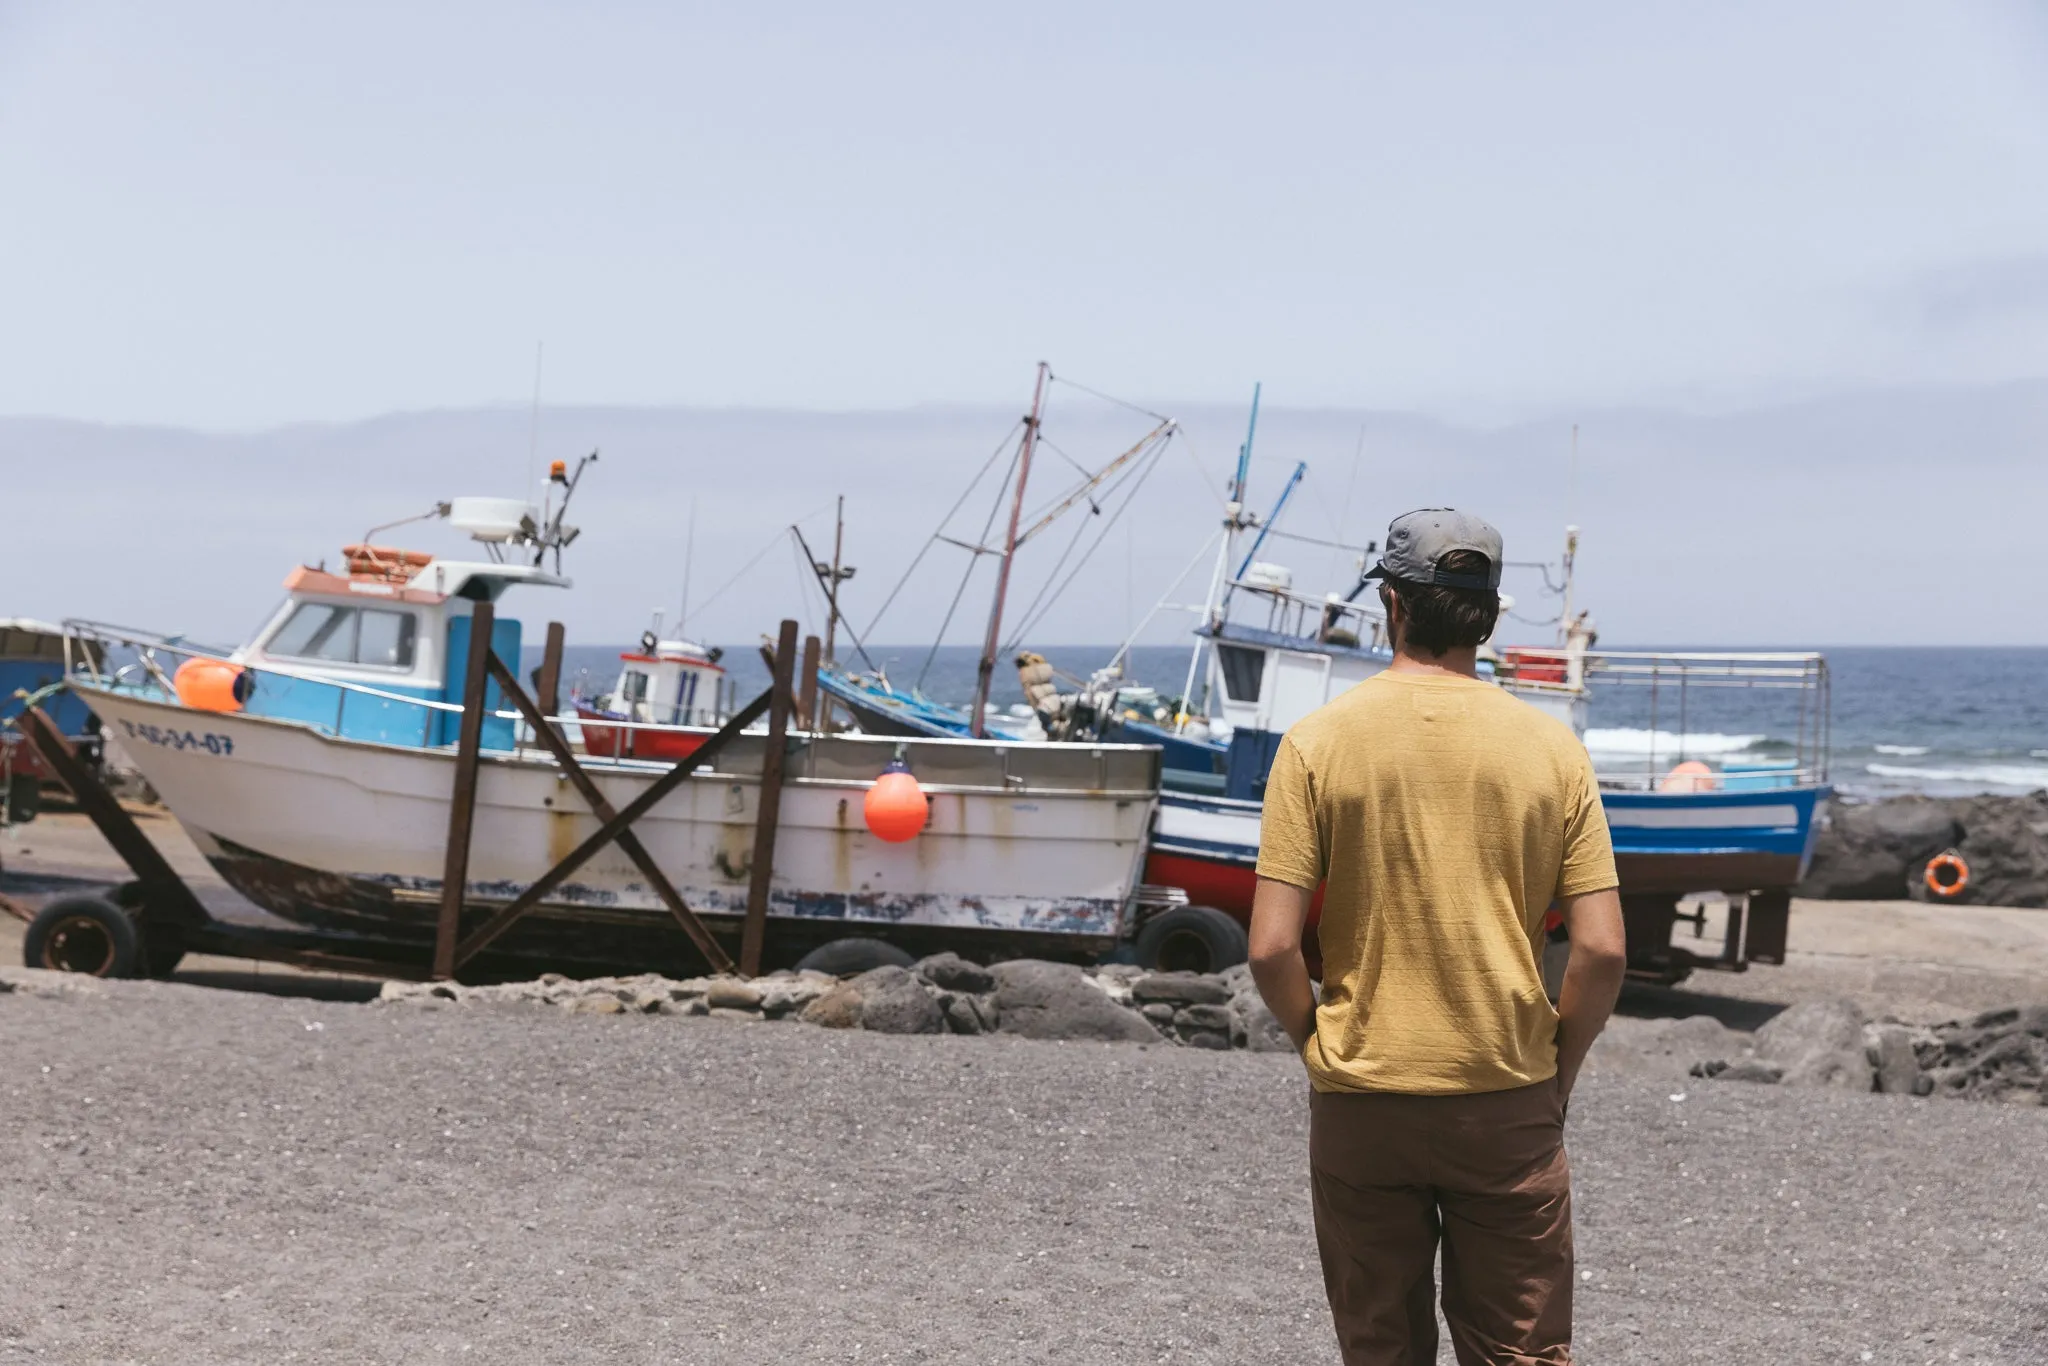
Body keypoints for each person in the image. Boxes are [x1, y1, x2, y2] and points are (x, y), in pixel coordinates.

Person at [1248, 507, 1628, 1366]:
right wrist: (1556, 1072)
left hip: (1362, 1094)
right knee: (1520, 1353)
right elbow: (1602, 949)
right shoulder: (1552, 749)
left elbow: (1272, 948)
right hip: (1504, 1094)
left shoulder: (1315, 744)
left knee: (1380, 1346)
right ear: (1489, 615)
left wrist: (1318, 1047)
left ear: (1391, 603)